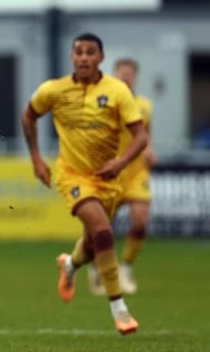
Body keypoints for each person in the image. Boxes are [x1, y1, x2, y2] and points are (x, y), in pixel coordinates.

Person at [21, 33, 148, 335]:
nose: (83, 57)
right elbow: (28, 117)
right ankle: (120, 310)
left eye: (90, 52)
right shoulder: (54, 90)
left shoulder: (117, 91)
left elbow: (140, 136)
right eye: (78, 52)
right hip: (73, 176)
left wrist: (120, 162)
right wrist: (37, 159)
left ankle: (69, 265)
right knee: (103, 231)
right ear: (72, 57)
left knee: (93, 245)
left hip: (108, 179)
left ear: (101, 58)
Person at [87, 58, 157, 296]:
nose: (126, 77)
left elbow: (146, 133)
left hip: (136, 172)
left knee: (140, 222)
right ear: (114, 75)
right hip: (111, 173)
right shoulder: (105, 103)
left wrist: (149, 149)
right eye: (122, 73)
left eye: (130, 73)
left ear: (135, 77)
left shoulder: (145, 105)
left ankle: (126, 267)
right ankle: (97, 267)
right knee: (102, 228)